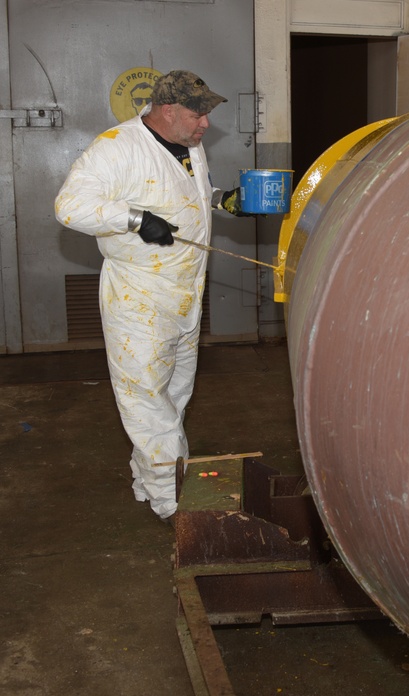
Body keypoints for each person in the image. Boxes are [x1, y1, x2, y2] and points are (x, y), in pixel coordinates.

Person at [54, 69, 247, 525]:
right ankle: (172, 501)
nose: (205, 124)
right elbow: (68, 206)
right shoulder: (117, 147)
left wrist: (221, 199)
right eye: (198, 114)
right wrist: (136, 220)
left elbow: (181, 194)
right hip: (139, 297)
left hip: (184, 292)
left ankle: (150, 479)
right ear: (167, 110)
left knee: (174, 395)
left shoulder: (189, 149)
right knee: (146, 402)